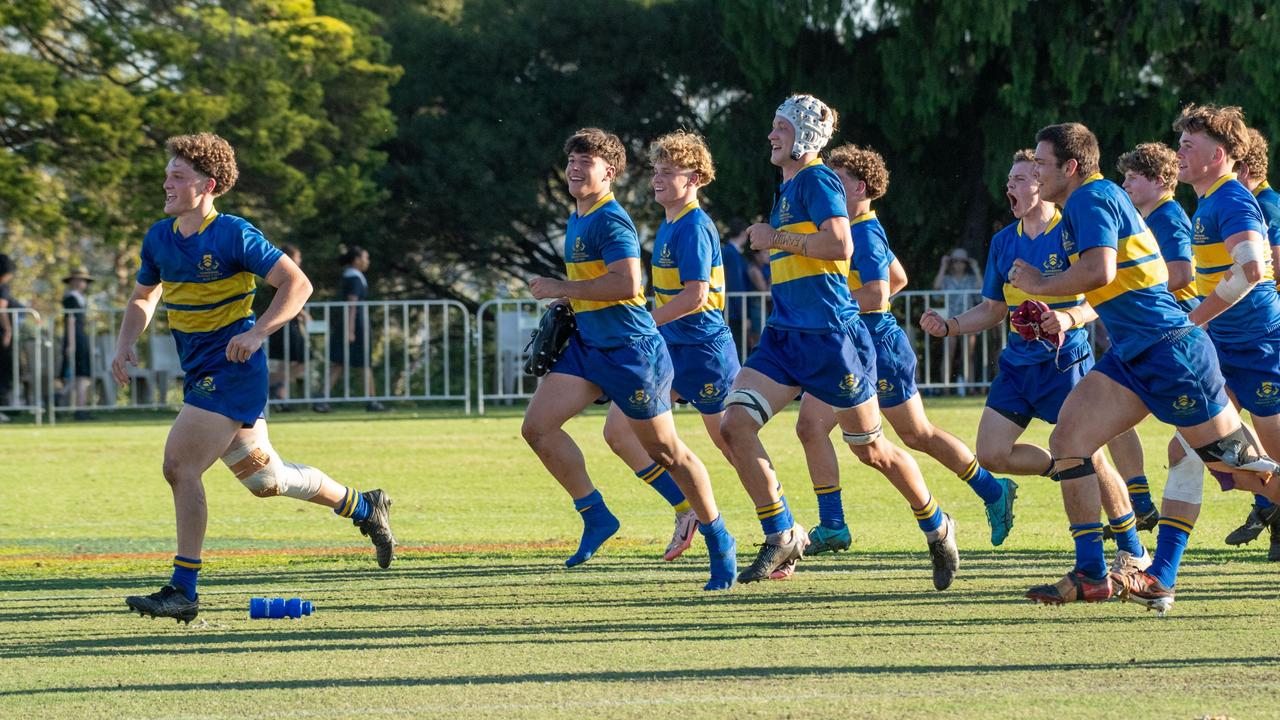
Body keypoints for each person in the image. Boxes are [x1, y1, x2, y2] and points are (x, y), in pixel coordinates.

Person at [114, 133, 396, 623]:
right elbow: (144, 296)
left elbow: (298, 284)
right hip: (201, 370)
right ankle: (363, 505)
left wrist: (260, 331)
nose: (167, 183)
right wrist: (124, 341)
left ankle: (184, 589)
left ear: (209, 185)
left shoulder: (233, 234)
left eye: (177, 176)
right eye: (167, 174)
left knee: (179, 466)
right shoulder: (159, 237)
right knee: (267, 479)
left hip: (233, 368)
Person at [1011, 121, 1277, 611]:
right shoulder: (1085, 204)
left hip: (1170, 351)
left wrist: (1037, 284)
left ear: (1070, 167)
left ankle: (1162, 574)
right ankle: (1092, 572)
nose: (1035, 173)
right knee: (1069, 440)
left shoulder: (1092, 198)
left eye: (1042, 165)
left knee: (1241, 470)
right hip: (1134, 352)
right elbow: (1119, 285)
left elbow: (1100, 272)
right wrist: (1066, 315)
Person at [719, 95, 959, 588]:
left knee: (873, 451)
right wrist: (775, 241)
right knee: (734, 425)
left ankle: (937, 524)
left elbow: (839, 244)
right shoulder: (787, 187)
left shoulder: (818, 179)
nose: (771, 136)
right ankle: (781, 531)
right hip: (785, 335)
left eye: (780, 127)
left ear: (804, 135)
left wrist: (774, 238)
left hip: (833, 339)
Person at [521, 127, 736, 591]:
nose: (576, 169)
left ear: (610, 172)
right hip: (590, 347)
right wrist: (569, 303)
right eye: (572, 161)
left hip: (633, 353)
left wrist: (563, 288)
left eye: (587, 163)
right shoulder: (577, 217)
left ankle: (719, 537)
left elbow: (626, 285)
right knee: (536, 427)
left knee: (667, 451)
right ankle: (596, 515)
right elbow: (598, 285)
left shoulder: (610, 220)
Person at [796, 143, 1016, 561]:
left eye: (836, 180)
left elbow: (879, 291)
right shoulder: (853, 226)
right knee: (809, 427)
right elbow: (899, 277)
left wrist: (828, 301)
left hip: (877, 346)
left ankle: (993, 488)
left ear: (860, 187)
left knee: (916, 434)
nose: (827, 187)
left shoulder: (862, 231)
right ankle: (833, 525)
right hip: (849, 345)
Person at [920, 149, 1144, 558]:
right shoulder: (1003, 242)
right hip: (1018, 367)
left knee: (1092, 458)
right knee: (991, 453)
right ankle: (1064, 471)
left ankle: (1132, 547)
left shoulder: (1071, 230)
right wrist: (950, 326)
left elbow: (1101, 294)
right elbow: (993, 309)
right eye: (1009, 180)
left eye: (1021, 179)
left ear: (1042, 184)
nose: (1010, 186)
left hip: (1065, 365)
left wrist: (1071, 318)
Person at [599, 129, 740, 565]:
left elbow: (695, 297)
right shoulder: (670, 222)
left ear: (695, 178)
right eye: (655, 171)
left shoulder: (695, 225)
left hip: (704, 352)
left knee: (735, 446)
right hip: (670, 350)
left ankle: (784, 530)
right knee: (618, 433)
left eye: (669, 172)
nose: (657, 179)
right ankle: (687, 509)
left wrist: (643, 323)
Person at [1102, 142, 1199, 538]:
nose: (1124, 184)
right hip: (1148, 335)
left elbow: (1181, 273)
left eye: (1132, 178)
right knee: (1107, 416)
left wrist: (1133, 289)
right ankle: (1139, 504)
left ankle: (1268, 500)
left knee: (1208, 437)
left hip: (1173, 337)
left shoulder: (1167, 216)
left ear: (1161, 181)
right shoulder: (1145, 216)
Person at [1224, 126, 1280, 555]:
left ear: (1241, 166)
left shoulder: (1262, 205)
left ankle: (1268, 508)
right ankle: (1266, 506)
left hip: (1261, 337)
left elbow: (1273, 270)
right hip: (1236, 339)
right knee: (1212, 436)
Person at [316, 245, 385, 413]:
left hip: (351, 325)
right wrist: (351, 329)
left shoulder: (353, 277)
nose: (367, 261)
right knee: (356, 363)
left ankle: (322, 399)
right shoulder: (354, 278)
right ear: (356, 260)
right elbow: (351, 304)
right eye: (365, 258)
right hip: (354, 325)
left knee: (344, 364)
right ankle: (371, 401)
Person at [267, 243, 310, 412]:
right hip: (285, 322)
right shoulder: (283, 273)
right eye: (298, 257)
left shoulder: (283, 273)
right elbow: (288, 296)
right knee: (302, 360)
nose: (300, 260)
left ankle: (280, 396)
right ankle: (271, 386)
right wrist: (303, 313)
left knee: (286, 364)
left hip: (287, 322)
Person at [933, 247, 982, 392]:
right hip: (950, 321)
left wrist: (976, 268)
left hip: (970, 320)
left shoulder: (972, 279)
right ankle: (946, 389)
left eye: (962, 261)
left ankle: (971, 389)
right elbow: (936, 291)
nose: (958, 264)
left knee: (969, 356)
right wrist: (943, 266)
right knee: (948, 354)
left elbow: (982, 293)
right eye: (955, 261)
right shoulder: (947, 279)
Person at [60, 268, 95, 420]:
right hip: (75, 338)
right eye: (79, 280)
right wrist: (71, 343)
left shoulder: (79, 298)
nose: (82, 283)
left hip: (80, 337)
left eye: (84, 281)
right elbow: (70, 320)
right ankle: (76, 407)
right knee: (78, 374)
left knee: (80, 375)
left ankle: (79, 407)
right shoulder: (71, 298)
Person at [721, 219, 752, 352]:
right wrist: (743, 314)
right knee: (738, 350)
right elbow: (735, 283)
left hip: (731, 309)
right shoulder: (731, 254)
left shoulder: (728, 252)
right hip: (734, 311)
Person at [0, 254, 16, 422]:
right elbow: (2, 306)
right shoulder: (3, 287)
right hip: (1, 334)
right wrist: (8, 330)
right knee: (4, 370)